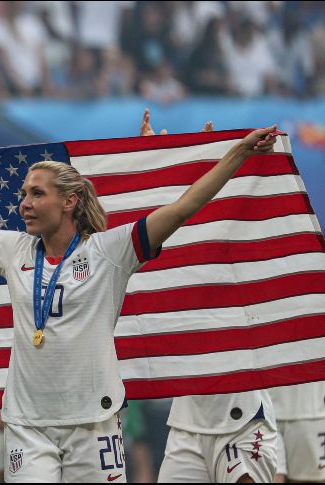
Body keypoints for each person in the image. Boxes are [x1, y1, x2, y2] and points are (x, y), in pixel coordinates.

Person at [0, 120, 278, 482]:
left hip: (95, 422)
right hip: (28, 425)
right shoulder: (11, 248)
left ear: (69, 201)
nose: (24, 204)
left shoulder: (111, 251)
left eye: (37, 194)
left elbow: (184, 207)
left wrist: (238, 153)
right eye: (23, 194)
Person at [140, 110, 278, 484]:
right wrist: (156, 169)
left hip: (242, 419)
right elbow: (167, 223)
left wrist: (224, 164)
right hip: (187, 422)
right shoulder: (172, 259)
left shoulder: (244, 248)